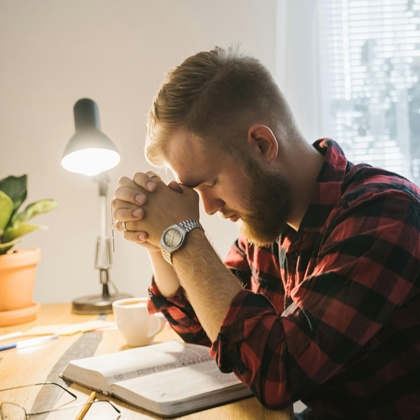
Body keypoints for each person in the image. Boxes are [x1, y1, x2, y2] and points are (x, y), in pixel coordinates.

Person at [111, 46, 420, 419]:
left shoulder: (384, 212)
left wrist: (181, 234)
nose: (207, 207)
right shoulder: (269, 221)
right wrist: (158, 240)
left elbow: (279, 373)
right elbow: (206, 328)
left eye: (210, 182)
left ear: (262, 144)